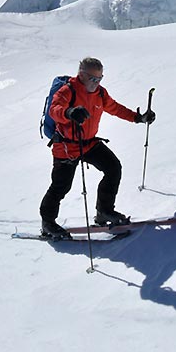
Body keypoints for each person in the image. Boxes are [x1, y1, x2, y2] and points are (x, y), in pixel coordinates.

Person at [40, 57, 156, 239]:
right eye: (93, 79)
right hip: (66, 147)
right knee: (60, 186)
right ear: (81, 75)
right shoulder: (67, 91)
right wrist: (69, 112)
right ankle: (47, 223)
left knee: (113, 168)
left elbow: (115, 108)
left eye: (100, 78)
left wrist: (138, 118)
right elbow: (55, 109)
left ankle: (104, 211)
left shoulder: (100, 94)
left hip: (88, 144)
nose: (97, 83)